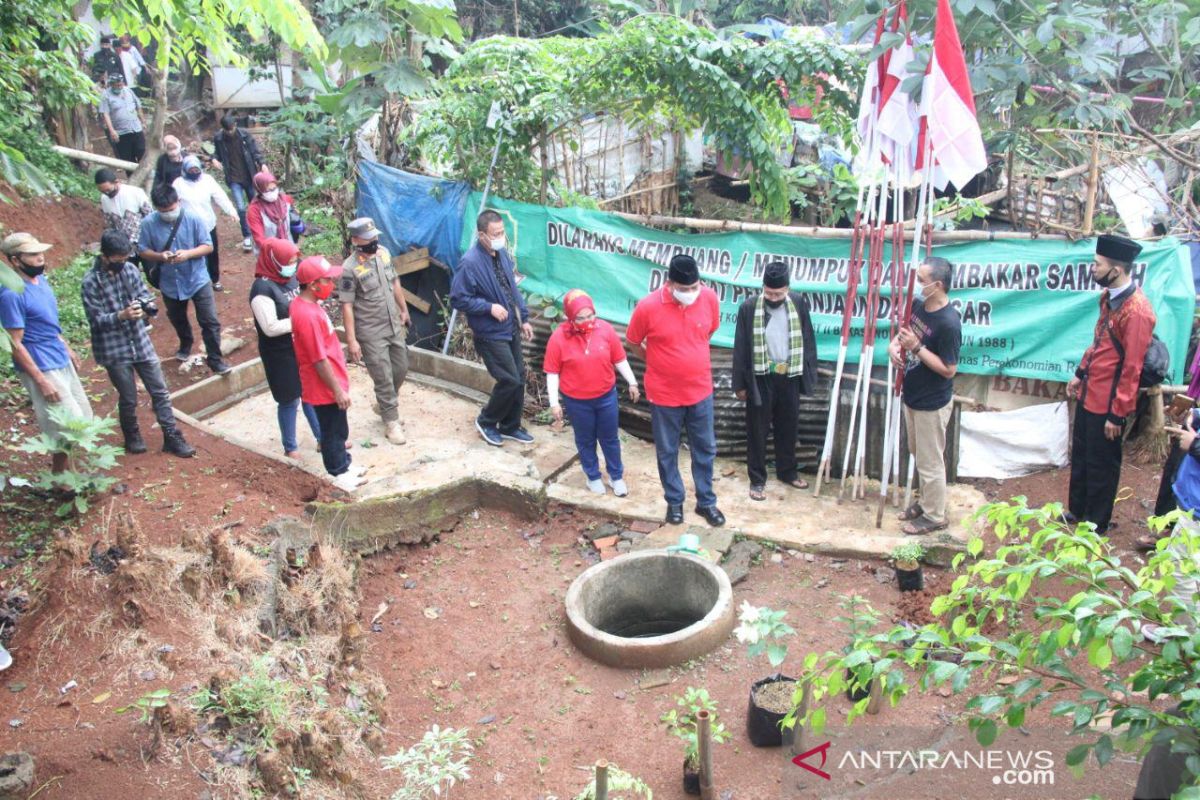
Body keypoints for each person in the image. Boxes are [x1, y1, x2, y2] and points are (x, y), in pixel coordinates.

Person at [1066, 234, 1157, 534]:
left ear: (1116, 270)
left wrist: (1118, 413)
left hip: (1109, 400)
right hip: (1091, 390)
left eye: (1097, 265)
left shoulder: (1138, 312)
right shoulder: (1108, 298)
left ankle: (1096, 522)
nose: (1092, 270)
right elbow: (1099, 341)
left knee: (1102, 462)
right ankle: (1077, 510)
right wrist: (1080, 374)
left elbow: (1133, 367)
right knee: (1081, 453)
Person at [626, 254, 724, 527]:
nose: (691, 294)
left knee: (705, 448)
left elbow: (709, 332)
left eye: (695, 288)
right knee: (667, 450)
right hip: (664, 393)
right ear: (669, 284)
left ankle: (706, 502)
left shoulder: (709, 299)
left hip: (700, 389)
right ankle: (674, 501)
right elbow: (633, 341)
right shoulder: (647, 307)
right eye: (684, 289)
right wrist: (656, 361)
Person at [81, 230, 195, 458]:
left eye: (125, 259)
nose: (122, 264)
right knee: (129, 396)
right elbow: (95, 320)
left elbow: (145, 295)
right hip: (113, 347)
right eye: (118, 260)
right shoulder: (90, 283)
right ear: (104, 256)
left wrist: (145, 308)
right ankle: (132, 435)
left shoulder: (131, 270)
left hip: (139, 340)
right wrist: (121, 316)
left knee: (160, 391)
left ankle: (171, 436)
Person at [0, 233, 93, 475]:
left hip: (57, 355)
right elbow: (14, 343)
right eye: (32, 254)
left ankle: (70, 470)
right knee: (65, 423)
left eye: (40, 252)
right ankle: (60, 476)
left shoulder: (40, 281)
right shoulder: (11, 294)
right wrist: (41, 380)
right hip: (41, 364)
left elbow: (47, 322)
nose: (40, 257)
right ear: (15, 260)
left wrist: (66, 346)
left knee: (82, 415)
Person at [732, 260, 818, 500]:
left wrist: (808, 375)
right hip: (761, 377)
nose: (773, 297)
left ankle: (787, 472)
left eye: (778, 293)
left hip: (789, 375)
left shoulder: (798, 303)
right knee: (757, 431)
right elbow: (740, 347)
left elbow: (808, 339)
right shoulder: (749, 308)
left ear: (787, 289)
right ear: (763, 287)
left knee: (788, 427)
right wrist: (739, 384)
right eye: (768, 292)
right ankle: (757, 480)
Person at [887, 257, 961, 536]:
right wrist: (893, 347)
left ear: (938, 285)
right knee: (919, 454)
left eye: (921, 280)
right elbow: (902, 334)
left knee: (931, 461)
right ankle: (927, 501)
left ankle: (934, 515)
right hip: (912, 394)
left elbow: (949, 369)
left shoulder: (949, 323)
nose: (916, 285)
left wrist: (916, 348)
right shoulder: (917, 306)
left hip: (933, 401)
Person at [449, 210, 535, 447]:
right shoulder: (470, 263)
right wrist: (488, 307)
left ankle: (510, 426)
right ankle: (487, 421)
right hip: (489, 332)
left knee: (519, 377)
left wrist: (524, 319)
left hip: (510, 327)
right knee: (508, 379)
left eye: (502, 232)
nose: (500, 237)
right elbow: (457, 298)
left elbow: (512, 290)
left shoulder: (502, 254)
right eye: (495, 234)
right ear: (482, 235)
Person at [545, 289, 639, 496]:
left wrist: (632, 382)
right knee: (585, 439)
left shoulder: (605, 330)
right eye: (581, 318)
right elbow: (552, 373)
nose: (588, 321)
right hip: (577, 401)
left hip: (606, 396)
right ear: (570, 318)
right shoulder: (558, 338)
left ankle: (616, 476)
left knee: (610, 438)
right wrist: (554, 403)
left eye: (591, 316)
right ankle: (592, 476)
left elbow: (619, 359)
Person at [290, 255, 367, 492]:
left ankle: (344, 464)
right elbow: (318, 359)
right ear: (314, 285)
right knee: (332, 431)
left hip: (331, 380)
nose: (332, 285)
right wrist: (336, 390)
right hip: (323, 385)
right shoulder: (308, 316)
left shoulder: (308, 306)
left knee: (339, 428)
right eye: (327, 281)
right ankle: (338, 472)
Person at [137, 183, 232, 375]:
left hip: (197, 278)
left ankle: (215, 359)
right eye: (163, 211)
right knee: (177, 318)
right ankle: (186, 341)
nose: (168, 214)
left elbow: (208, 246)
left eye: (171, 209)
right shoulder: (148, 223)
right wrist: (160, 256)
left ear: (178, 202)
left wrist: (188, 254)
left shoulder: (193, 218)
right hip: (170, 281)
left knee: (210, 321)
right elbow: (142, 250)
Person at [340, 217, 411, 446]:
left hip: (393, 323)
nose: (374, 241)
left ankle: (383, 405)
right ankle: (391, 422)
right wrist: (352, 340)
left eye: (375, 236)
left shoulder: (384, 254)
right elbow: (347, 305)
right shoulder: (349, 269)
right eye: (369, 238)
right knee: (383, 377)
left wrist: (404, 309)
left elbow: (395, 283)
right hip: (370, 331)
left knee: (401, 368)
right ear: (356, 240)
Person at [249, 238, 322, 458]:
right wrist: (301, 320)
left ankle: (322, 437)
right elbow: (269, 327)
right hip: (279, 354)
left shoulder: (290, 279)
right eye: (289, 261)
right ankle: (290, 446)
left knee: (310, 393)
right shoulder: (261, 290)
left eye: (294, 260)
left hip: (300, 347)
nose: (292, 264)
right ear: (274, 260)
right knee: (289, 400)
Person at [172, 155, 237, 291]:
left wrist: (231, 211)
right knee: (193, 253)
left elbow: (220, 196)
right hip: (188, 227)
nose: (194, 173)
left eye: (197, 170)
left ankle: (215, 279)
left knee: (212, 253)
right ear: (185, 170)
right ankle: (197, 281)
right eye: (191, 170)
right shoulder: (178, 183)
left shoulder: (208, 180)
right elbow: (173, 203)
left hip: (208, 224)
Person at [212, 115, 265, 252]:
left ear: (235, 125)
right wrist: (214, 159)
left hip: (249, 175)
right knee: (241, 208)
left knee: (255, 206)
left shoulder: (245, 135)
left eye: (232, 129)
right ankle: (247, 236)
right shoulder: (219, 138)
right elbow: (217, 154)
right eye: (227, 130)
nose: (230, 132)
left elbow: (255, 152)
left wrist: (262, 163)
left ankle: (259, 232)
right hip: (233, 178)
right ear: (223, 129)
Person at [95, 168, 151, 249]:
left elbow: (149, 216)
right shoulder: (104, 199)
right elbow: (110, 224)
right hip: (123, 247)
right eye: (103, 191)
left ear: (116, 182)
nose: (107, 193)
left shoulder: (135, 192)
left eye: (108, 190)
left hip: (144, 243)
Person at [246, 170, 299, 252]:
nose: (273, 192)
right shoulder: (254, 210)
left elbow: (293, 212)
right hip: (268, 250)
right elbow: (259, 238)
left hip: (289, 246)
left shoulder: (285, 199)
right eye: (268, 190)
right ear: (260, 190)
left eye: (274, 188)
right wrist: (275, 252)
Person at [98, 72, 145, 165]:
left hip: (136, 128)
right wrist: (112, 131)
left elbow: (138, 105)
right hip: (121, 132)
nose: (120, 86)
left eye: (121, 84)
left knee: (141, 152)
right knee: (127, 157)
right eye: (117, 85)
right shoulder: (106, 95)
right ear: (111, 85)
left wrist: (143, 121)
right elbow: (105, 113)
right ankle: (132, 177)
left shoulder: (128, 91)